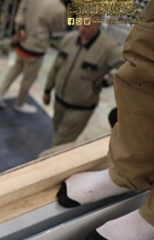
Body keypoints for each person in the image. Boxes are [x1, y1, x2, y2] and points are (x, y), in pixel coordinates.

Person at [57, 0, 154, 240]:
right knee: (145, 62)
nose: (82, 26)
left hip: (80, 105)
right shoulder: (70, 41)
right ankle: (128, 172)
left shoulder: (105, 47)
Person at [0, 0, 84, 114]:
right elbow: (57, 29)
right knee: (29, 78)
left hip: (22, 38)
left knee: (16, 67)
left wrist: (20, 26)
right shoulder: (58, 8)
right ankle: (20, 103)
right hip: (36, 46)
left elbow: (22, 6)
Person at [43, 19, 124, 147]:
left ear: (98, 23)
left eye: (87, 25)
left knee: (59, 145)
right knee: (57, 130)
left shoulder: (109, 48)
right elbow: (56, 66)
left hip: (80, 108)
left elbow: (128, 68)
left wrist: (106, 82)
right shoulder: (69, 39)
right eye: (80, 23)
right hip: (59, 101)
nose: (81, 28)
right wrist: (47, 89)